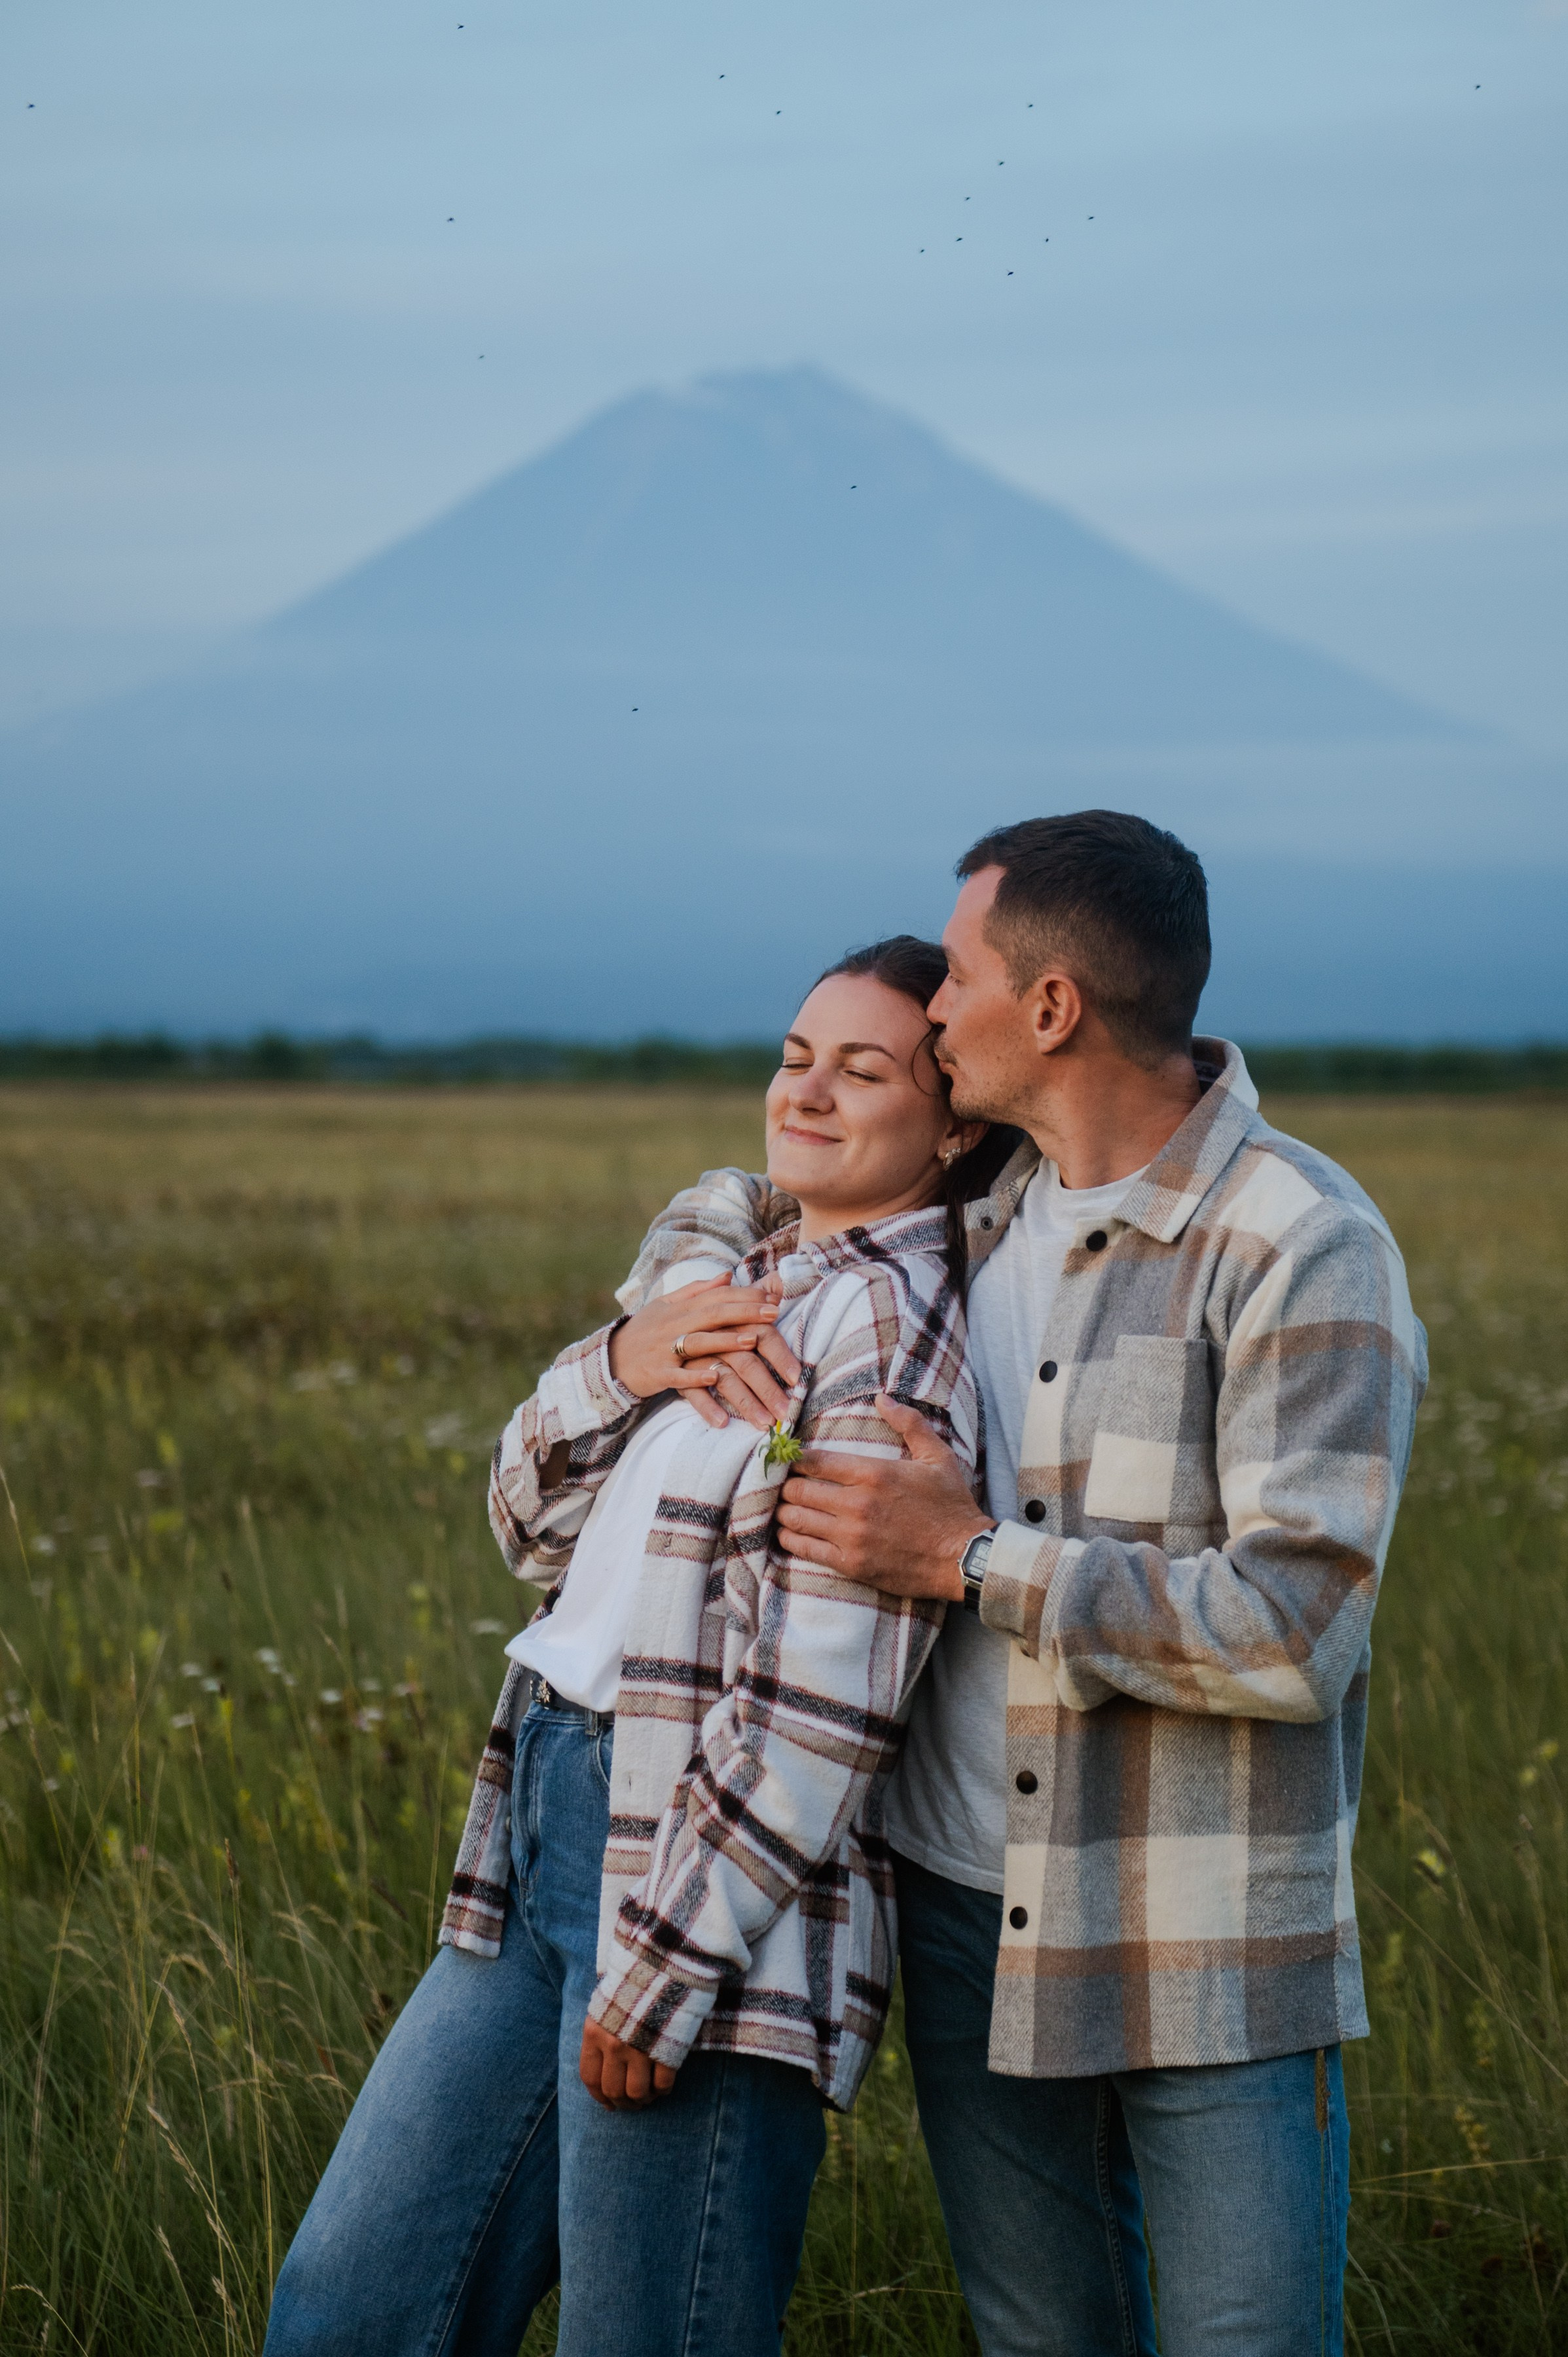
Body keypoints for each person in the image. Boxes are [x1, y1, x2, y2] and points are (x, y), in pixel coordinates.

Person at [623, 811, 1428, 2357]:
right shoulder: (978, 1206)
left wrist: (970, 1557)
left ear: (1050, 1008)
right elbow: (762, 1189)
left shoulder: (1300, 1243)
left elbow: (1296, 1627)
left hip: (1203, 1930)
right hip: (961, 1908)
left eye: (959, 975)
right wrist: (672, 1304)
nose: (932, 1008)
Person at [263, 938, 1006, 2357]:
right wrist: (625, 1356)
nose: (807, 1092)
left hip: (699, 1885)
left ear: (956, 1125)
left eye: (863, 1071)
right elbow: (524, 1520)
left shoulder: (892, 1335)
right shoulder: (744, 1275)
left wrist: (667, 1961)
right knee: (351, 2309)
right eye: (796, 1057)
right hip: (541, 1823)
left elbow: (821, 1708)